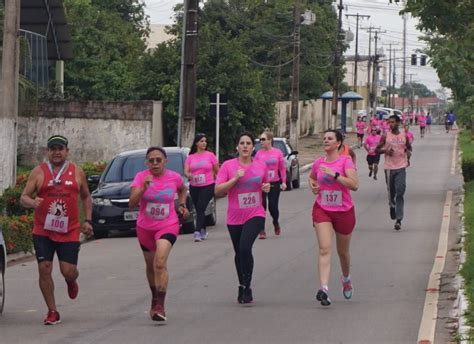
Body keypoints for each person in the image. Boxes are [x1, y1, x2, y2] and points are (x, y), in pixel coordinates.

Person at [20, 135, 93, 325]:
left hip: (69, 229)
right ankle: (52, 311)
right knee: (44, 269)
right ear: (47, 152)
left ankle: (71, 281)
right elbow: (24, 197)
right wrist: (32, 202)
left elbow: (86, 197)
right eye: (53, 149)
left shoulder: (77, 172)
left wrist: (88, 220)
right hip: (43, 229)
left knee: (68, 271)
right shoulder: (38, 172)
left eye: (60, 148)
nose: (56, 152)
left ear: (67, 151)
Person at [129, 146, 189, 322]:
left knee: (160, 262)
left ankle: (160, 306)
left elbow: (182, 189)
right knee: (150, 265)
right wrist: (143, 188)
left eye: (158, 160)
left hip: (168, 225)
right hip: (145, 228)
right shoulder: (141, 177)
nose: (155, 163)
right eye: (151, 160)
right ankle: (155, 297)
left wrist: (182, 205)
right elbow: (132, 203)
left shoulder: (174, 177)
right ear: (147, 162)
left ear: (165, 161)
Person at [215, 132, 270, 304]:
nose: (245, 146)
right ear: (237, 147)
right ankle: (241, 284)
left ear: (253, 147)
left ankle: (247, 286)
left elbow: (265, 184)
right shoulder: (228, 166)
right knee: (239, 252)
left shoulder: (261, 166)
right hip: (234, 217)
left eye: (248, 143)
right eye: (242, 143)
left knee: (245, 248)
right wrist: (235, 178)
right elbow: (218, 190)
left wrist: (266, 187)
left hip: (256, 213)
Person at [308, 129, 358, 306]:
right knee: (324, 249)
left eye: (330, 138)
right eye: (324, 138)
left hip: (344, 211)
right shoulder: (318, 163)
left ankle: (346, 279)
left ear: (338, 143)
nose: (326, 141)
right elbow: (312, 178)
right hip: (323, 209)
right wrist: (313, 186)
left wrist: (335, 175)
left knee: (342, 253)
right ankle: (324, 289)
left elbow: (354, 185)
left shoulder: (346, 161)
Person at [376, 115, 412, 231]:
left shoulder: (404, 136)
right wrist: (385, 150)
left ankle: (399, 219)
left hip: (401, 167)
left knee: (400, 192)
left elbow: (409, 148)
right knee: (391, 192)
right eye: (389, 122)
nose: (390, 124)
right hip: (389, 168)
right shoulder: (385, 135)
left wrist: (409, 154)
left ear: (398, 123)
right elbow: (376, 150)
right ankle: (392, 205)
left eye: (392, 122)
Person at [184, 133, 219, 242]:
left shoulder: (210, 155)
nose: (204, 143)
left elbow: (217, 170)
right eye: (202, 141)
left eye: (205, 141)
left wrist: (217, 180)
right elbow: (186, 170)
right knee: (199, 209)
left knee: (200, 206)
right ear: (196, 143)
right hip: (194, 186)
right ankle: (203, 229)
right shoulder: (190, 157)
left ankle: (197, 231)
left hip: (208, 185)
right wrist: (189, 175)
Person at [255, 131, 287, 239]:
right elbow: (255, 168)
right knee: (261, 206)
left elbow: (282, 168)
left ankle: (276, 222)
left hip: (274, 182)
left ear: (270, 140)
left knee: (273, 207)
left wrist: (283, 182)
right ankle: (261, 229)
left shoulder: (277, 152)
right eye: (260, 139)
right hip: (262, 183)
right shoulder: (259, 153)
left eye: (263, 139)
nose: (261, 141)